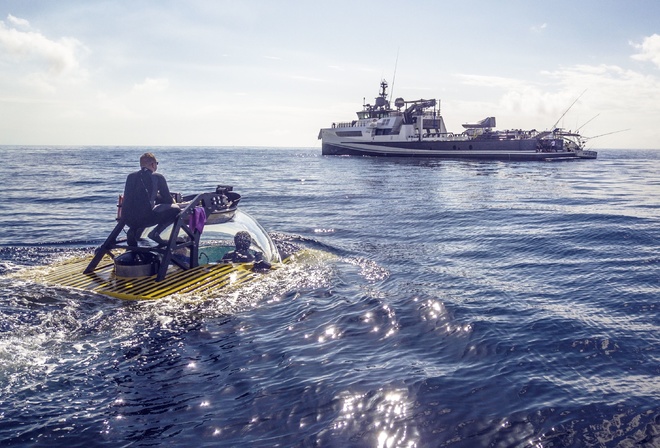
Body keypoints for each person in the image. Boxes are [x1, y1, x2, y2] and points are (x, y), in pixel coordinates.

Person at [122, 152, 179, 246]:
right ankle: (155, 233)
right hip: (145, 219)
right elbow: (168, 200)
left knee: (141, 209)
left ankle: (133, 232)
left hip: (127, 219)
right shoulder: (157, 177)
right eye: (157, 163)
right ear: (153, 164)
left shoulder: (130, 177)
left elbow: (137, 197)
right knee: (176, 210)